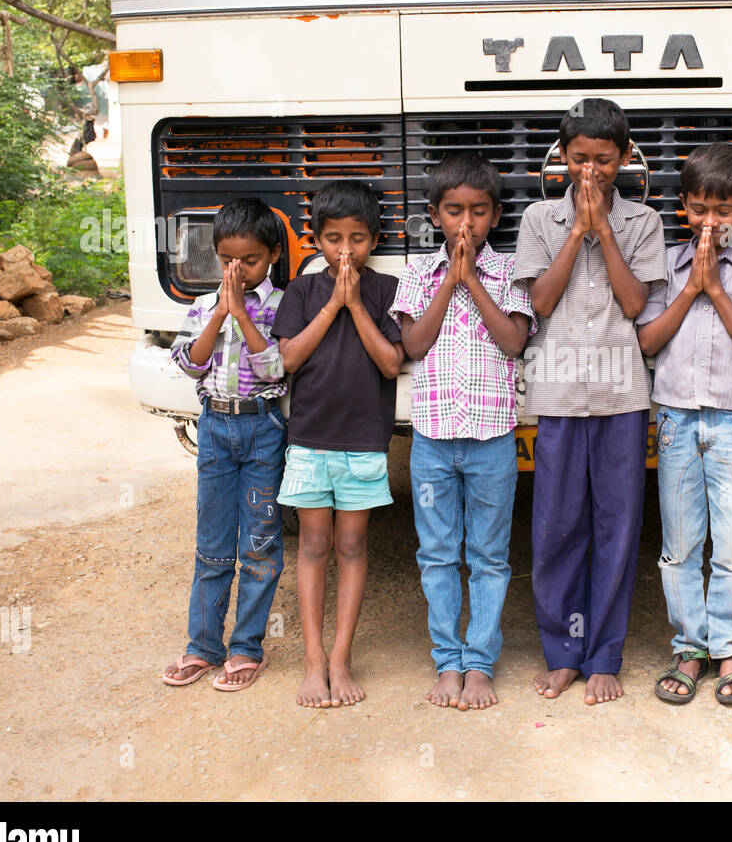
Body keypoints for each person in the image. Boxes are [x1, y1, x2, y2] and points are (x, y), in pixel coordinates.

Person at [514, 98, 666, 705]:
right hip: (556, 393)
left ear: (625, 159)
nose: (592, 172)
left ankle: (603, 653)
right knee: (555, 526)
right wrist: (577, 229)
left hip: (620, 395)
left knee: (616, 525)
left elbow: (634, 305)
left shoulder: (643, 223)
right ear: (562, 158)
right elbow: (542, 303)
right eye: (580, 159)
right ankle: (563, 652)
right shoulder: (538, 220)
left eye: (604, 160)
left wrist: (604, 229)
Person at [636, 142, 732, 706]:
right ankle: (690, 646)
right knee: (679, 545)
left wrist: (715, 288)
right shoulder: (666, 267)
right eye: (699, 209)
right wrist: (691, 286)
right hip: (674, 420)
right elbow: (648, 340)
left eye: (723, 211)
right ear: (683, 209)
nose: (710, 222)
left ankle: (730, 649)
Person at [390, 153, 535, 711]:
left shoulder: (510, 273)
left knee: (490, 555)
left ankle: (480, 664)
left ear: (495, 215)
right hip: (431, 438)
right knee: (437, 553)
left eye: (477, 211)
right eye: (454, 211)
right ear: (435, 215)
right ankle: (447, 661)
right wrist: (447, 280)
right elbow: (415, 345)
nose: (466, 223)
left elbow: (514, 342)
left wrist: (472, 279)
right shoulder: (417, 275)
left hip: (492, 438)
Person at [272, 180, 405, 708]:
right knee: (312, 545)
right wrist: (333, 304)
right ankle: (311, 661)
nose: (345, 250)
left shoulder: (386, 291)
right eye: (332, 239)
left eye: (357, 238)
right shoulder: (302, 293)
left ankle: (340, 659)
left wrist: (355, 306)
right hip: (309, 440)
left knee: (351, 546)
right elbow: (287, 361)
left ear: (374, 239)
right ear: (316, 241)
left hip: (363, 444)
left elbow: (392, 363)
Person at [162, 198, 287, 692]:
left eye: (251, 260)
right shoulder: (200, 306)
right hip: (215, 428)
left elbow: (276, 369)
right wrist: (221, 312)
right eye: (228, 260)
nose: (239, 270)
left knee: (259, 544)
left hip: (262, 432)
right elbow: (190, 364)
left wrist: (243, 313)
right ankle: (203, 647)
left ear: (273, 254)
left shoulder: (282, 306)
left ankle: (246, 648)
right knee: (212, 546)